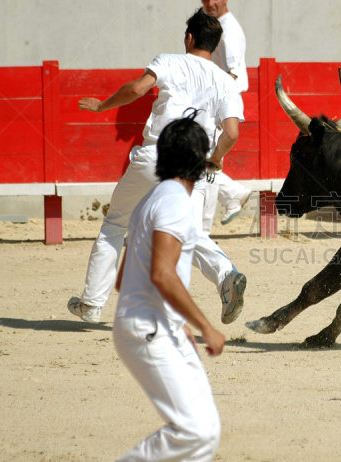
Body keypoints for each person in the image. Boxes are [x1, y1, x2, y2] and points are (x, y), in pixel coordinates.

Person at [68, 9, 246, 326]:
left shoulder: (168, 60)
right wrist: (215, 159)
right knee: (189, 232)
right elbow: (231, 132)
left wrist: (101, 105)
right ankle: (226, 276)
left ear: (189, 38)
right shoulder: (225, 81)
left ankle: (92, 304)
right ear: (215, 44)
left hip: (155, 156)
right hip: (193, 166)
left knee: (115, 225)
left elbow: (137, 89)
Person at [113, 113, 226, 461]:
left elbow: (122, 279)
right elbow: (162, 274)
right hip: (148, 327)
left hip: (157, 324)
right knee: (193, 431)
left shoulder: (151, 199)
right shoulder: (177, 201)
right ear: (202, 160)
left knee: (205, 432)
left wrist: (176, 323)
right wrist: (205, 326)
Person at [201, 0, 251, 227]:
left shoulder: (227, 30)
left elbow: (233, 73)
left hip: (223, 100)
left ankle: (205, 222)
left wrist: (213, 101)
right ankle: (233, 194)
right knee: (204, 157)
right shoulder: (221, 26)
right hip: (223, 99)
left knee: (207, 157)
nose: (210, 3)